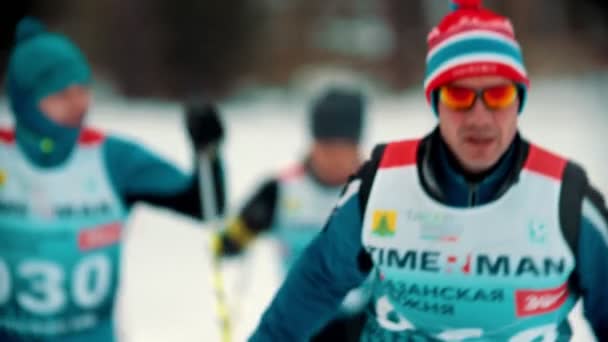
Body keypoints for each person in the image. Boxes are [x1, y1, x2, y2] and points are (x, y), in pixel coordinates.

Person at [249, 1, 608, 341]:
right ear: (436, 101)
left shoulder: (568, 200)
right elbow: (317, 283)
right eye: (458, 96)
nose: (479, 117)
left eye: (497, 95)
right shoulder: (381, 185)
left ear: (519, 100)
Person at [0, 17, 225, 341]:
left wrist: (209, 153)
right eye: (61, 93)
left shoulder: (112, 159)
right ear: (27, 102)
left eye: (83, 88)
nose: (79, 102)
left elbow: (207, 205)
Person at [215, 88, 370, 341]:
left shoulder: (377, 191)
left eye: (343, 149)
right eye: (327, 148)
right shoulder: (280, 190)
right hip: (302, 318)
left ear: (357, 146)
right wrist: (232, 239)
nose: (335, 159)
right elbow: (229, 241)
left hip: (362, 322)